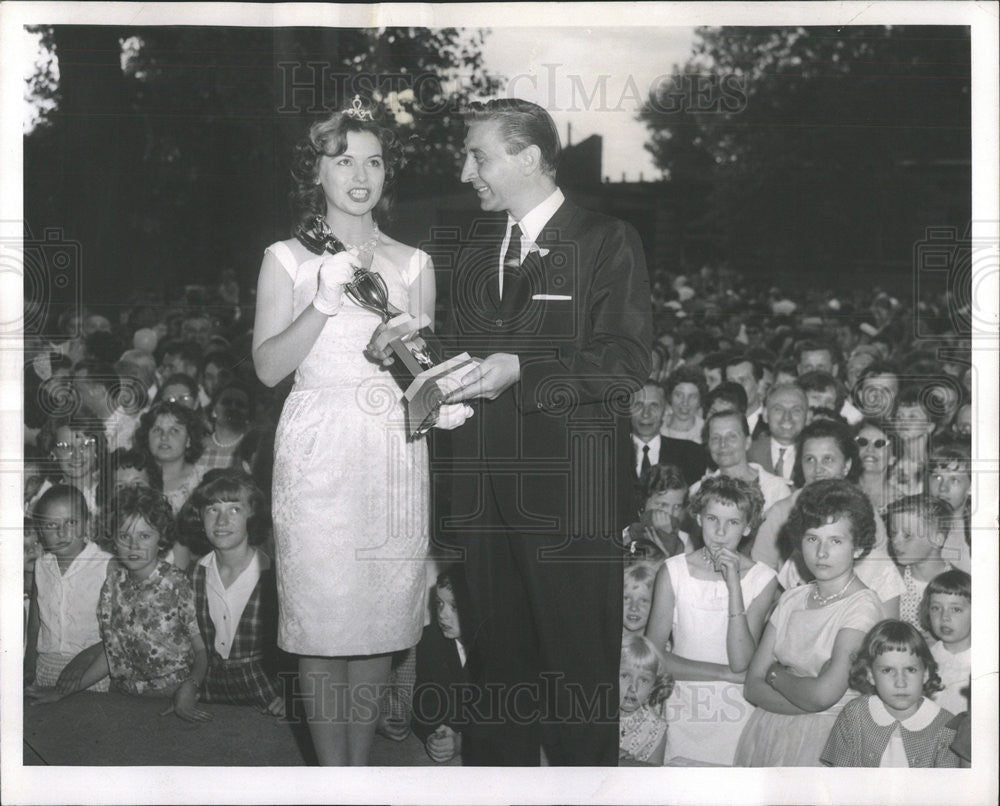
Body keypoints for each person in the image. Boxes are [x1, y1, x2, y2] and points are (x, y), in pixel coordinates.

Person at [441, 98, 652, 765]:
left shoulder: (604, 239)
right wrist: (412, 356)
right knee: (498, 677)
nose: (465, 169)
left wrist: (523, 370)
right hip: (487, 502)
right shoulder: (476, 247)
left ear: (527, 156)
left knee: (575, 683)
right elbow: (464, 357)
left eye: (478, 154)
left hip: (572, 501)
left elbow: (624, 363)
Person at [251, 100, 449, 766]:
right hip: (317, 450)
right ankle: (329, 778)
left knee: (377, 626)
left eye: (373, 160)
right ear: (317, 171)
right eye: (343, 161)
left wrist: (411, 362)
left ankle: (357, 774)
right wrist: (323, 303)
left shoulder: (415, 263)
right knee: (320, 624)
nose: (360, 175)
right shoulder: (284, 258)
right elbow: (269, 366)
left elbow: (421, 376)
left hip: (391, 449)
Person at [28, 486, 211, 723]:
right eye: (125, 536)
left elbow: (201, 651)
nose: (133, 546)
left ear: (161, 538)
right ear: (114, 539)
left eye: (144, 536)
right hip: (125, 695)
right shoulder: (113, 584)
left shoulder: (175, 582)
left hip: (175, 696)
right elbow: (112, 652)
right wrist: (62, 692)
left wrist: (190, 688)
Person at [734, 479, 883, 766]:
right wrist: (807, 694)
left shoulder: (863, 607)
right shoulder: (792, 599)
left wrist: (775, 675)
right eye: (812, 538)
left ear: (858, 547)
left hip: (829, 741)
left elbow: (823, 695)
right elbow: (752, 685)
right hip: (769, 733)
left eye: (835, 540)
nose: (821, 552)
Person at [646, 476, 778, 765]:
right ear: (697, 518)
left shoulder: (763, 578)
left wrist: (734, 586)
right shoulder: (673, 570)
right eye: (712, 519)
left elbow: (741, 661)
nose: (720, 531)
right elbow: (653, 658)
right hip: (681, 707)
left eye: (732, 522)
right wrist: (723, 674)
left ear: (748, 527)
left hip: (736, 713)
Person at [188, 469, 285, 714]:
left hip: (266, 697)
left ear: (252, 514)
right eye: (212, 509)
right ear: (200, 515)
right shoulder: (193, 574)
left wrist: (293, 695)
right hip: (208, 696)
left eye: (234, 509)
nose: (221, 522)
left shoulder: (274, 575)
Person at [821, 620, 961, 767]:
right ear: (870, 675)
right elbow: (839, 779)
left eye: (910, 670)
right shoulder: (853, 715)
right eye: (887, 670)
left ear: (925, 674)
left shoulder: (946, 726)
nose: (900, 683)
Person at [23, 485, 112, 692]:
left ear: (87, 524)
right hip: (46, 668)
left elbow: (118, 632)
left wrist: (87, 658)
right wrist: (28, 666)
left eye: (71, 522)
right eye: (51, 525)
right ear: (41, 531)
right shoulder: (41, 566)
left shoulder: (106, 566)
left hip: (91, 670)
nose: (62, 533)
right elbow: (35, 623)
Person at [411, 568, 472, 764]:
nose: (442, 615)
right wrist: (434, 732)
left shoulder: (502, 648)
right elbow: (424, 697)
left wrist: (464, 741)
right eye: (439, 603)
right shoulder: (430, 639)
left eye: (455, 607)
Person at [690, 410, 791, 514]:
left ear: (747, 442)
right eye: (715, 438)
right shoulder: (697, 491)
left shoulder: (776, 490)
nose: (723, 444)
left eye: (732, 436)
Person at [886, 495, 954, 631]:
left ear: (937, 539)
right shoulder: (891, 580)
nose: (895, 541)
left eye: (907, 535)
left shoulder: (959, 585)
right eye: (893, 533)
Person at [919, 570, 971, 717]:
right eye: (936, 608)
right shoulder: (923, 658)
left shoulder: (986, 664)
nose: (944, 617)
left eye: (956, 609)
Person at [618, 635, 672, 766]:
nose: (633, 688)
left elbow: (653, 779)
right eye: (625, 676)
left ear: (653, 686)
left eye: (644, 680)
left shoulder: (655, 728)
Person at [747, 383, 807, 483]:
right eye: (778, 410)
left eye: (796, 411)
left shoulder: (813, 455)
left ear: (807, 416)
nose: (787, 417)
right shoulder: (749, 454)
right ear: (765, 415)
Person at [660, 366, 706, 443]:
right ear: (670, 396)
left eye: (692, 397)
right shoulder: (657, 425)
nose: (685, 402)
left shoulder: (705, 431)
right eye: (679, 395)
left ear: (699, 400)